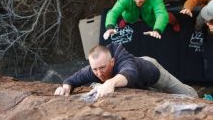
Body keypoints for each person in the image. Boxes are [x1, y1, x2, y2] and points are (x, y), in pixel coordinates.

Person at [54, 43, 198, 99]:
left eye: (103, 68)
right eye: (95, 69)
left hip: (150, 70)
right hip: (137, 80)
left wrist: (111, 82)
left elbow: (130, 72)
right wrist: (65, 87)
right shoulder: (94, 68)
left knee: (191, 95)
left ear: (112, 62)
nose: (99, 73)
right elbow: (72, 79)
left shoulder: (122, 57)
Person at [103, 0, 169, 40]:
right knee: (127, 18)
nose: (138, 0)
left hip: (150, 15)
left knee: (168, 18)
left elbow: (161, 13)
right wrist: (109, 27)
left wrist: (157, 29)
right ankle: (126, 20)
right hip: (131, 16)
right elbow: (113, 12)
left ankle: (175, 22)